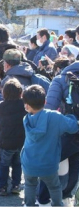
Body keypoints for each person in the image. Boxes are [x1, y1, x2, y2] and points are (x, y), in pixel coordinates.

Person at [21, 85, 79, 207]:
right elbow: (73, 127)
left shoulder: (26, 119)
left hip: (29, 162)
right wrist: (71, 116)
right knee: (54, 186)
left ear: (26, 105)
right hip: (48, 163)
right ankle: (57, 207)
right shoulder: (54, 117)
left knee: (30, 184)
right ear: (45, 101)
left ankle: (29, 206)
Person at [39, 60, 79, 206]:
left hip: (67, 129)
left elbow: (49, 107)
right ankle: (67, 198)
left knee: (51, 162)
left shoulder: (60, 79)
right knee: (76, 166)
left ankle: (43, 199)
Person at [0, 78, 26, 196]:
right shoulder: (24, 105)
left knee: (4, 164)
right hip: (20, 141)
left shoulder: (1, 107)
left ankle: (2, 187)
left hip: (5, 141)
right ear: (20, 92)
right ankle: (16, 185)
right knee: (18, 164)